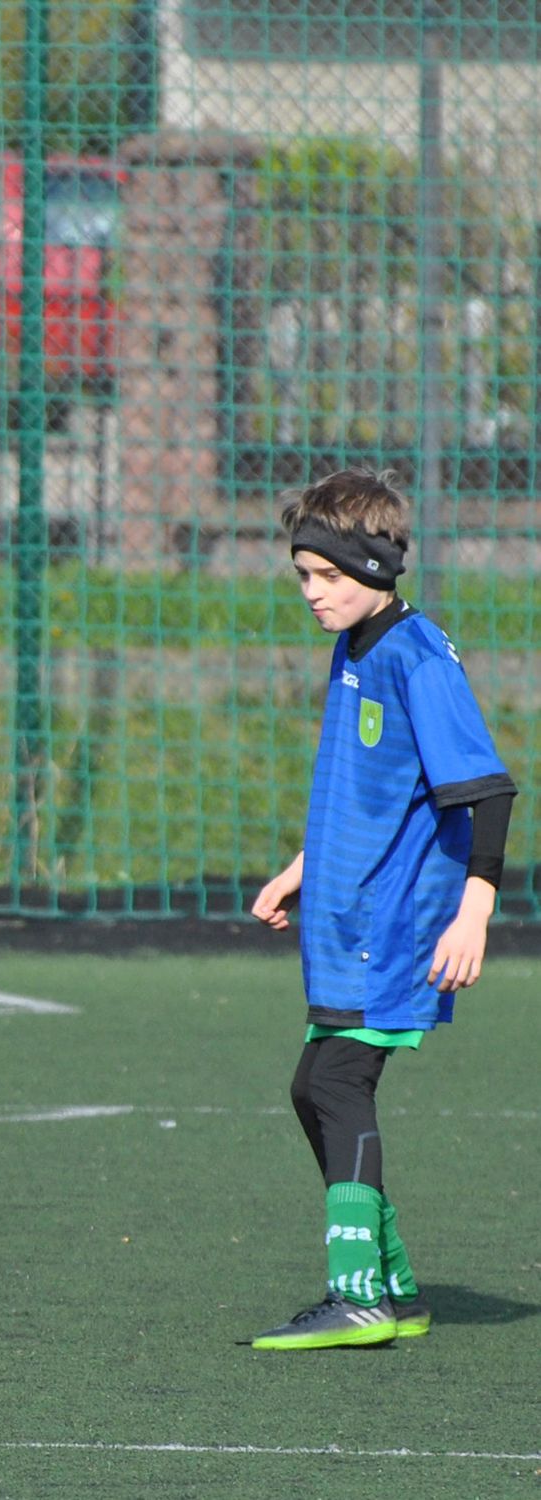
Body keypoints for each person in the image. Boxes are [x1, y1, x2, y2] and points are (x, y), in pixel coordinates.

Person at [245, 469, 514, 1350]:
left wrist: (474, 909)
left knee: (335, 1082)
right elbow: (369, 793)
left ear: (371, 564)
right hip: (345, 916)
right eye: (302, 577)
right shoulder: (354, 645)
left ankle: (357, 1293)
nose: (311, 594)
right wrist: (300, 867)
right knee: (309, 1087)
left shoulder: (415, 653)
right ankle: (391, 1282)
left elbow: (486, 791)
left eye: (325, 575)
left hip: (395, 925)